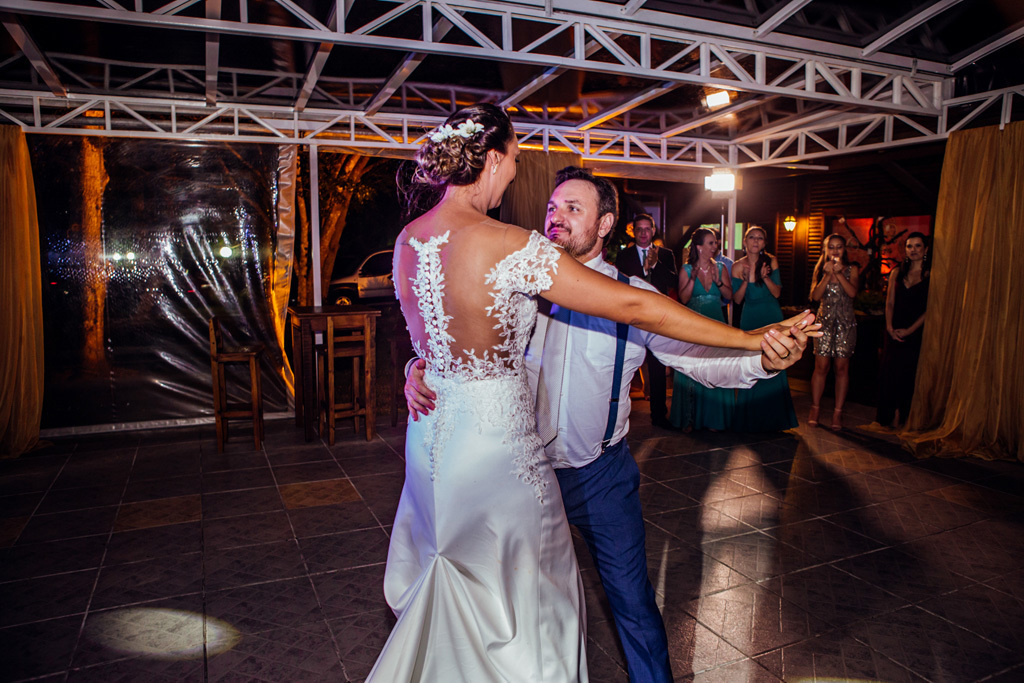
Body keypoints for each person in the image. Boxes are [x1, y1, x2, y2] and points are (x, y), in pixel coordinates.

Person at [401, 162, 819, 682]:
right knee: (507, 605)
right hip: (515, 475)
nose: (556, 218)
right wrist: (418, 368)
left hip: (600, 476)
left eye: (573, 209)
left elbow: (695, 356)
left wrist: (760, 359)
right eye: (552, 208)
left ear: (605, 224)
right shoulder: (513, 282)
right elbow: (453, 337)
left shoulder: (633, 297)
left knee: (632, 603)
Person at [731, 226, 799, 431]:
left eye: (760, 238)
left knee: (775, 362)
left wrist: (764, 276)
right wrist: (746, 279)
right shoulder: (736, 266)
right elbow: (736, 299)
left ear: (764, 243)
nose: (755, 241)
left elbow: (777, 293)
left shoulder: (771, 261)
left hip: (771, 315)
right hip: (750, 318)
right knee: (752, 364)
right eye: (751, 237)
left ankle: (775, 418)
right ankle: (749, 417)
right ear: (744, 241)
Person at [670, 227, 735, 431]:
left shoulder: (722, 268)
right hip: (694, 326)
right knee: (694, 369)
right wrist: (692, 278)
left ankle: (714, 418)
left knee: (715, 369)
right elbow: (684, 299)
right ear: (699, 247)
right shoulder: (686, 270)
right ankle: (691, 418)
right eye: (710, 243)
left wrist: (717, 281)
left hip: (716, 323)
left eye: (715, 243)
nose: (715, 246)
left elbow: (729, 296)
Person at [615, 213, 677, 428]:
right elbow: (619, 286)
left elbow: (672, 282)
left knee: (658, 367)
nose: (643, 233)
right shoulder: (624, 256)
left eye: (647, 229)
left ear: (653, 231)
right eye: (639, 229)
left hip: (657, 318)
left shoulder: (666, 255)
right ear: (634, 231)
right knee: (624, 366)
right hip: (631, 317)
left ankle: (659, 415)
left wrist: (656, 263)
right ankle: (617, 417)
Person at [875, 232, 930, 428]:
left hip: (915, 331)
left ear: (925, 249)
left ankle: (904, 416)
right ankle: (889, 416)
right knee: (890, 373)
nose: (913, 250)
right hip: (893, 328)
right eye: (909, 246)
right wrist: (890, 327)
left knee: (909, 375)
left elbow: (929, 310)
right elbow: (889, 302)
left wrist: (909, 331)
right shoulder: (897, 272)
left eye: (917, 246)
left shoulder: (930, 275)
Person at [809, 233, 860, 430]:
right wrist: (827, 275)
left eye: (839, 247)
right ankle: (815, 408)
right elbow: (815, 296)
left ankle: (838, 413)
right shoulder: (820, 269)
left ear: (844, 249)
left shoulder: (852, 269)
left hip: (845, 324)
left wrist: (838, 274)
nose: (835, 250)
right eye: (831, 247)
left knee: (841, 368)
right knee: (821, 367)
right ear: (825, 249)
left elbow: (852, 293)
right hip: (824, 323)